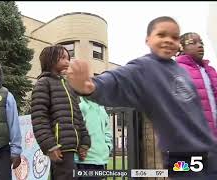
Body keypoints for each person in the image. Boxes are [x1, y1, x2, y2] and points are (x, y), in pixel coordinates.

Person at [66, 16, 217, 179]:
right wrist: (90, 86)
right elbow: (117, 80)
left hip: (209, 150)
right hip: (181, 156)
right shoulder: (145, 67)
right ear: (148, 39)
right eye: (161, 35)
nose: (168, 40)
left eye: (174, 37)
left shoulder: (182, 72)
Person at [31, 45, 91, 180]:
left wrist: (85, 142)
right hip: (60, 148)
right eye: (63, 57)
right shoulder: (43, 83)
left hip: (73, 148)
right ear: (50, 59)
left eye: (68, 58)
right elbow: (39, 118)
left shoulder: (69, 87)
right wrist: (50, 146)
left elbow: (78, 117)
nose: (67, 62)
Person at [176, 32, 217, 138]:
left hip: (214, 137)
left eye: (201, 43)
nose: (200, 45)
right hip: (195, 139)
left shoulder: (211, 70)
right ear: (181, 48)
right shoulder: (177, 70)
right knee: (197, 156)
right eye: (192, 42)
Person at [75, 97, 112, 180]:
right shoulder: (81, 106)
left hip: (100, 160)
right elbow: (75, 130)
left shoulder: (102, 109)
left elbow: (107, 131)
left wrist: (108, 147)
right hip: (85, 161)